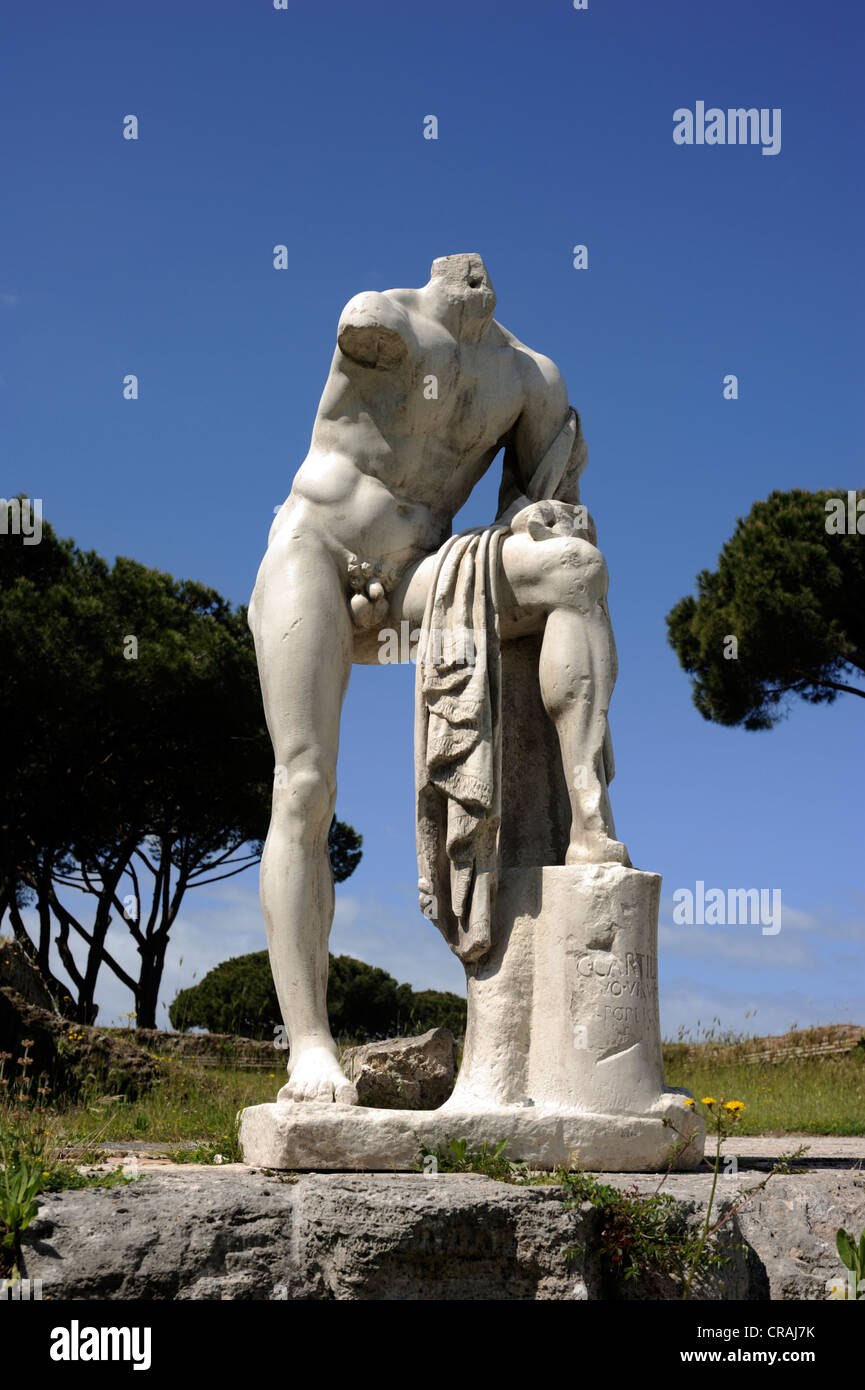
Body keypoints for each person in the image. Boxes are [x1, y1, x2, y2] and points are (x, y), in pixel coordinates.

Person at [249, 253, 628, 1103]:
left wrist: (536, 516)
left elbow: (533, 502)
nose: (474, 273)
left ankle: (588, 816)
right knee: (304, 788)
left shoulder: (529, 379)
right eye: (458, 270)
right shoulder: (382, 317)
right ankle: (308, 1045)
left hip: (422, 579)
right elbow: (358, 334)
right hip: (314, 555)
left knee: (571, 568)